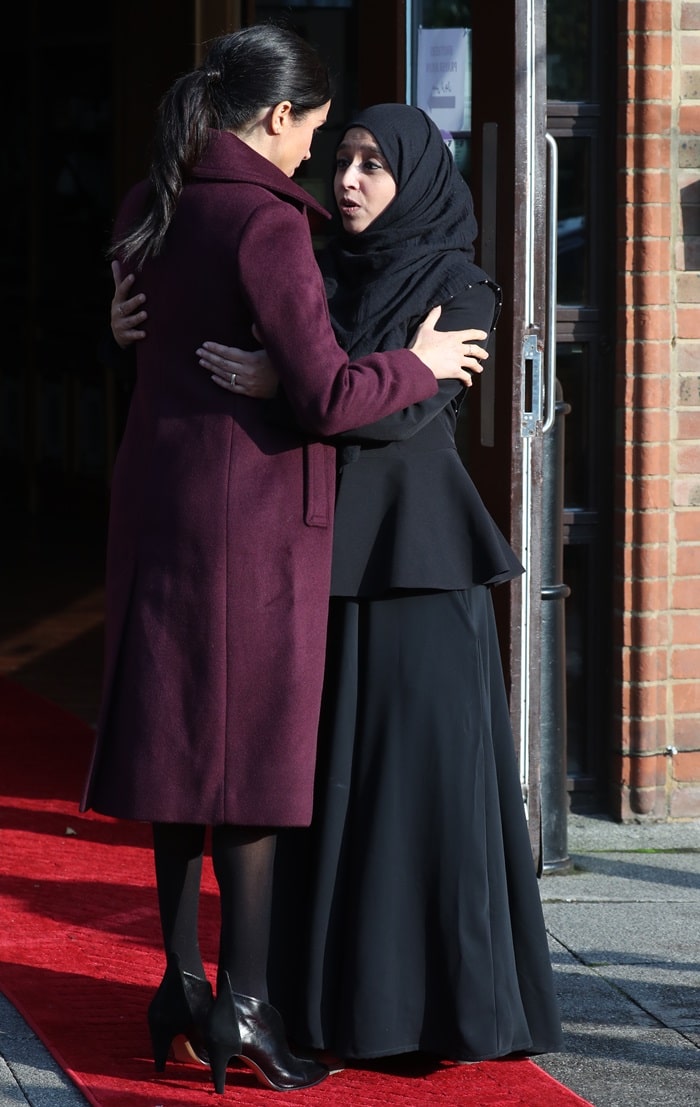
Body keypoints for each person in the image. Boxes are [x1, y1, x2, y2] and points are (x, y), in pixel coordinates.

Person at [110, 101, 562, 1067]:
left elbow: (395, 416)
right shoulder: (304, 258)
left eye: (371, 166)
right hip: (309, 564)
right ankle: (301, 1004)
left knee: (406, 798)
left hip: (416, 575)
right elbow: (205, 325)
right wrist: (125, 321)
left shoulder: (462, 284)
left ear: (418, 180)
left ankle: (413, 1015)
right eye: (342, 159)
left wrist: (302, 381)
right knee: (315, 794)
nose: (347, 180)